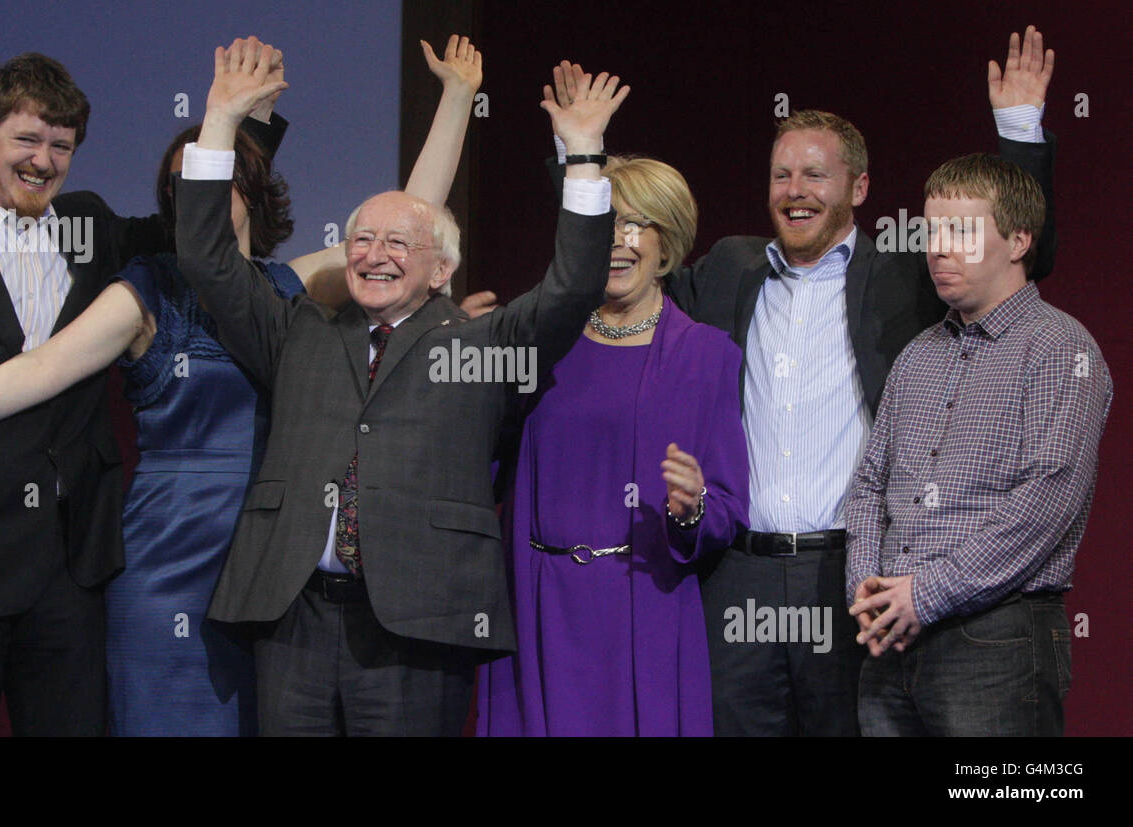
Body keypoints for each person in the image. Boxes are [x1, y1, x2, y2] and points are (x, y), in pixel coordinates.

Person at [0, 36, 486, 736]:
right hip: (167, 565)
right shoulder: (146, 290)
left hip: (275, 570)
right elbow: (40, 367)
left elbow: (410, 220)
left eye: (221, 185)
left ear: (251, 191)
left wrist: (457, 99)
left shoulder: (297, 287)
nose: (43, 159)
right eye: (186, 192)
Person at [176, 37, 620, 736]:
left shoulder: (485, 344)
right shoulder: (298, 329)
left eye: (397, 243)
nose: (373, 254)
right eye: (361, 239)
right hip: (293, 614)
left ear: (441, 269)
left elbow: (573, 289)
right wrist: (221, 121)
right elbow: (205, 258)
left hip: (420, 619)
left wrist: (584, 155)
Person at [655, 26, 1057, 735]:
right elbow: (628, 291)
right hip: (739, 575)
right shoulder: (728, 268)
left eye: (816, 174)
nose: (795, 191)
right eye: (782, 174)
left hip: (852, 574)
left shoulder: (908, 274)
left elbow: (1021, 259)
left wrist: (1019, 132)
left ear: (860, 187)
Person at [0, 53, 230, 736]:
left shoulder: (91, 230)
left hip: (70, 573)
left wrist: (239, 117)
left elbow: (194, 231)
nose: (43, 160)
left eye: (61, 145)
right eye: (27, 139)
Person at [475, 136, 749, 735]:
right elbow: (476, 461)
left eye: (637, 225)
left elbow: (728, 507)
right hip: (535, 604)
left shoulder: (706, 356)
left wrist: (691, 508)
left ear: (667, 242)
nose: (619, 241)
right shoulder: (537, 340)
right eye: (606, 223)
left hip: (642, 609)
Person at [843, 153, 1111, 736]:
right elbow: (868, 486)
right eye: (931, 230)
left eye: (960, 231)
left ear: (1018, 241)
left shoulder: (1061, 348)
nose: (937, 247)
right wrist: (866, 585)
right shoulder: (918, 355)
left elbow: (1048, 501)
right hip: (891, 637)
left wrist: (927, 594)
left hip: (996, 638)